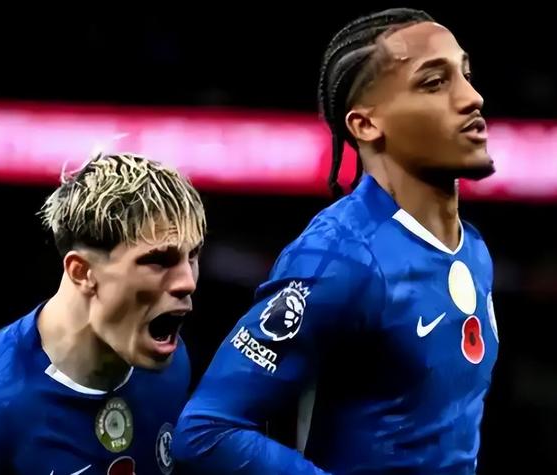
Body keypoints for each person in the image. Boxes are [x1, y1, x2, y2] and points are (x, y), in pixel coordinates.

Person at [173, 8, 498, 474]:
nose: (472, 97)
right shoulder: (339, 258)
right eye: (434, 82)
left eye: (465, 75)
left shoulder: (474, 250)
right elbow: (206, 430)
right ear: (365, 124)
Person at [0, 153, 206, 475]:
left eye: (192, 256)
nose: (187, 282)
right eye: (159, 261)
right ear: (82, 272)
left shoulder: (170, 366)